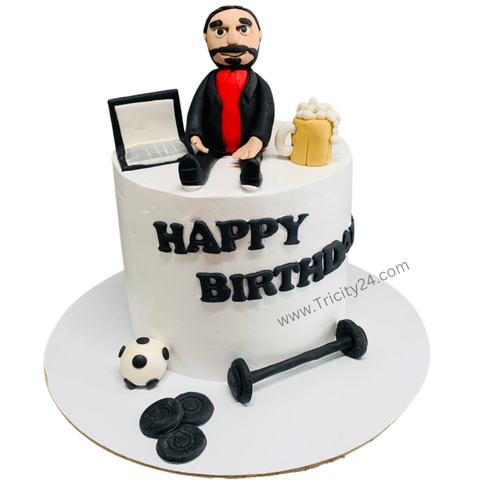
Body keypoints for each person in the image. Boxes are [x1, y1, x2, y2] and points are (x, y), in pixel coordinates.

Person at [179, 5, 275, 191]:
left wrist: (257, 139)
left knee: (250, 156)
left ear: (259, 35)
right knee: (202, 157)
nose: (232, 40)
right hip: (213, 143)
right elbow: (197, 107)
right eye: (220, 31)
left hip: (247, 141)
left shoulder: (260, 84)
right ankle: (194, 173)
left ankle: (251, 172)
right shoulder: (209, 81)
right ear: (206, 38)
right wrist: (194, 133)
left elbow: (266, 111)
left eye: (243, 29)